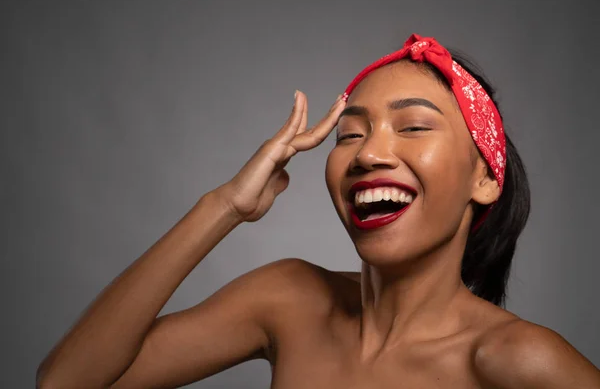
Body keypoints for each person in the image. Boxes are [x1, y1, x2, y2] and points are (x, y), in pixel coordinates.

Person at [37, 34, 600, 388]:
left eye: (413, 127)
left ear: (483, 176)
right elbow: (66, 381)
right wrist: (226, 205)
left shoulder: (519, 360)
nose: (370, 154)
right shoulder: (289, 301)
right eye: (349, 135)